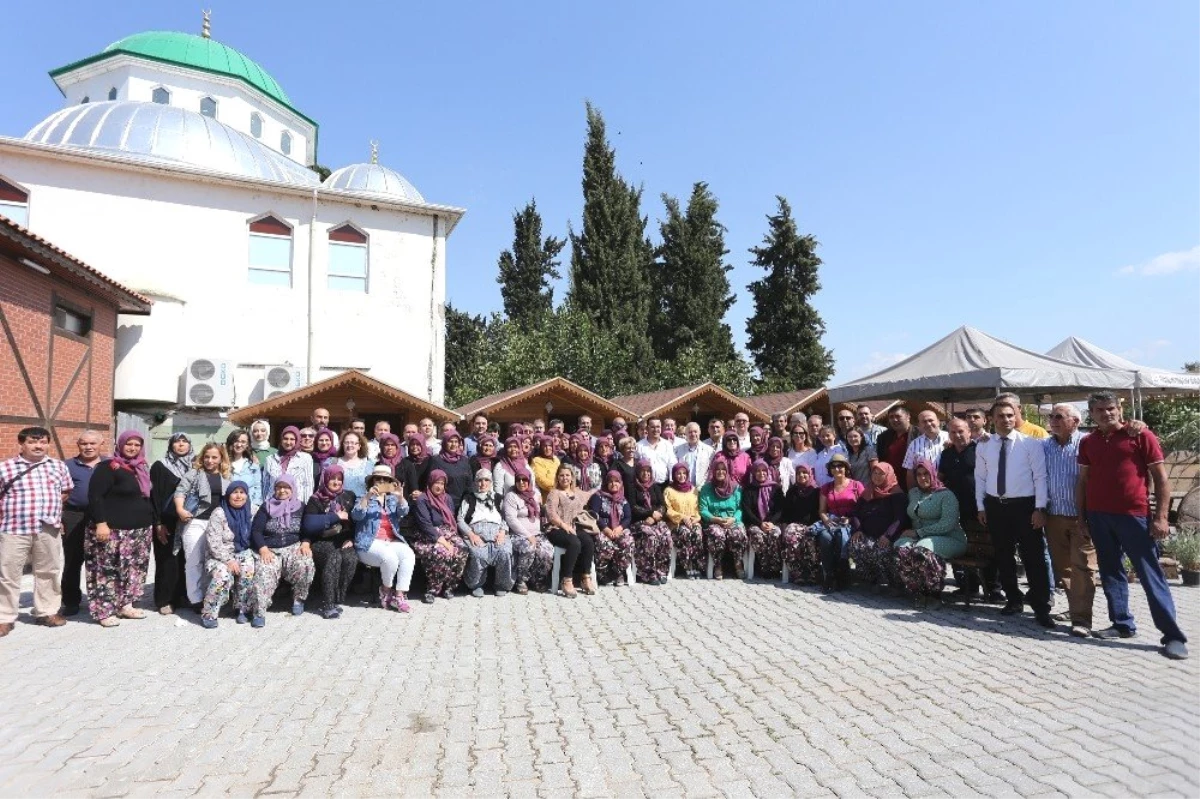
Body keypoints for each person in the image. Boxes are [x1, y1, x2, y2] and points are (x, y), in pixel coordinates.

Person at [1078, 392, 1188, 659]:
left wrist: (1161, 517)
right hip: (1098, 516)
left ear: (1120, 409)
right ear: (1091, 414)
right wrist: (1082, 518)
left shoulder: (1140, 436)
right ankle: (1122, 624)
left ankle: (1173, 636)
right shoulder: (1088, 442)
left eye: (1111, 408)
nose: (1107, 414)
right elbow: (1082, 482)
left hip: (1134, 517)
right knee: (1111, 572)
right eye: (1100, 410)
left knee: (1150, 575)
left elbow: (1161, 479)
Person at [975, 399, 1053, 628]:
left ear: (1016, 415)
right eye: (1000, 416)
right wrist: (981, 506)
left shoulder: (1031, 444)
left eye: (1010, 415)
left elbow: (1040, 477)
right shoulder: (984, 445)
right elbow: (980, 477)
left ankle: (1041, 606)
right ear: (993, 419)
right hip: (996, 506)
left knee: (1033, 558)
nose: (1006, 419)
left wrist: (1040, 508)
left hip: (1025, 507)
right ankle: (1013, 600)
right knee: (1003, 556)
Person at [83, 430, 155, 627]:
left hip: (138, 531)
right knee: (106, 570)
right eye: (128, 444)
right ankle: (103, 610)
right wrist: (101, 523)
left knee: (133, 569)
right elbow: (95, 497)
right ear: (120, 445)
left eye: (137, 445)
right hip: (112, 530)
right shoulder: (108, 467)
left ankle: (126, 605)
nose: (132, 448)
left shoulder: (140, 467)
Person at [1043, 404, 1097, 637]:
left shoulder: (1087, 443)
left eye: (1059, 417)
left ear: (1075, 421)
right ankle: (1075, 608)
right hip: (1054, 515)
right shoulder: (1044, 446)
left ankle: (1082, 620)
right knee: (1064, 568)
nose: (1053, 420)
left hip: (1081, 517)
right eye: (1051, 416)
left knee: (1083, 567)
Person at [939, 418, 1001, 602]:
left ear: (969, 431)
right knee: (962, 548)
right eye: (953, 432)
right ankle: (967, 586)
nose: (957, 436)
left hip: (980, 508)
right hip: (955, 509)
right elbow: (941, 477)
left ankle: (994, 589)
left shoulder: (980, 450)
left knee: (988, 549)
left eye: (961, 431)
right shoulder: (947, 454)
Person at [249, 474, 316, 624]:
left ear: (293, 489)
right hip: (270, 549)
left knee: (305, 563)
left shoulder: (301, 507)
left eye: (286, 487)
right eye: (279, 487)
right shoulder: (267, 506)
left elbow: (308, 528)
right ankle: (259, 612)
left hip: (293, 546)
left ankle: (298, 599)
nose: (282, 491)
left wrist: (305, 542)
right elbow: (256, 531)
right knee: (264, 572)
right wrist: (263, 549)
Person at [173, 443, 231, 609]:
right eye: (207, 457)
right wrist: (180, 509)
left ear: (221, 459)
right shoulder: (194, 474)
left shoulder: (226, 476)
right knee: (194, 561)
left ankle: (210, 595)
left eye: (214, 457)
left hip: (216, 524)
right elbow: (180, 492)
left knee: (212, 561)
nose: (210, 460)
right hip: (195, 522)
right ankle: (195, 599)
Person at [352, 465, 414, 613]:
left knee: (408, 554)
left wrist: (400, 497)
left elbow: (404, 512)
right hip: (368, 543)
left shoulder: (392, 499)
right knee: (389, 558)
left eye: (385, 479)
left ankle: (399, 595)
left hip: (390, 541)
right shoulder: (362, 497)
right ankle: (385, 590)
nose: (380, 481)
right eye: (377, 479)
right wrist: (368, 497)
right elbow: (356, 516)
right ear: (372, 481)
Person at [302, 465, 359, 619]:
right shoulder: (316, 499)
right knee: (334, 558)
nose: (336, 482)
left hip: (344, 540)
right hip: (322, 541)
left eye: (339, 479)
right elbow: (308, 525)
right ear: (325, 479)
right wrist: (335, 517)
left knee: (350, 559)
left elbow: (356, 521)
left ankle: (338, 598)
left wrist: (352, 538)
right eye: (332, 478)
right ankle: (328, 604)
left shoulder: (349, 496)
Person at [60, 430, 107, 616]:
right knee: (73, 560)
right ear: (78, 445)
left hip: (102, 518)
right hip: (74, 516)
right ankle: (71, 601)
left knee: (101, 560)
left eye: (92, 444)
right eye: (84, 444)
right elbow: (58, 494)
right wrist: (59, 518)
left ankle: (101, 599)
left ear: (100, 444)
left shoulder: (109, 464)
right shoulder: (67, 466)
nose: (88, 447)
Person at [200, 481, 258, 628]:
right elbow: (213, 543)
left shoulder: (252, 509)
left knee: (248, 569)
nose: (238, 496)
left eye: (242, 492)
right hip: (218, 556)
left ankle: (242, 609)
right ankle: (209, 613)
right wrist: (229, 560)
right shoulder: (219, 513)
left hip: (243, 551)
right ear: (228, 495)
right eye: (235, 492)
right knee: (223, 575)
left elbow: (259, 531)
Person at [808, 453, 866, 593]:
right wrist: (826, 520)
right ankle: (829, 575)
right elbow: (822, 510)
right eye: (834, 466)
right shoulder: (826, 488)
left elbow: (864, 509)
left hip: (852, 522)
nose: (837, 469)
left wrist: (850, 519)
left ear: (846, 468)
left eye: (840, 466)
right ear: (830, 470)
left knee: (841, 537)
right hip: (832, 522)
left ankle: (842, 574)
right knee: (825, 538)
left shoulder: (856, 485)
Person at [412, 470, 469, 603]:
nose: (439, 486)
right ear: (430, 482)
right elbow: (425, 525)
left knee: (462, 549)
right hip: (426, 536)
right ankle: (433, 589)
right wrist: (445, 543)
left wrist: (450, 539)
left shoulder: (447, 498)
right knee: (441, 552)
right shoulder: (422, 499)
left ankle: (450, 586)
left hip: (447, 532)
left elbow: (450, 521)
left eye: (442, 483)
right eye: (436, 483)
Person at [454, 469, 513, 598]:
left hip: (497, 532)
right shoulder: (469, 498)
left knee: (504, 551)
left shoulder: (498, 498)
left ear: (491, 482)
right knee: (477, 553)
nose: (483, 483)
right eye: (480, 480)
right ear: (475, 482)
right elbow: (460, 519)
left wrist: (503, 532)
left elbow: (506, 517)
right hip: (476, 533)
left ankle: (501, 585)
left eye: (486, 480)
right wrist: (471, 535)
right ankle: (476, 584)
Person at [150, 432, 191, 614]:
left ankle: (184, 596)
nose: (181, 445)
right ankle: (164, 599)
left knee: (186, 559)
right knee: (167, 560)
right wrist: (158, 522)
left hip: (189, 520)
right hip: (166, 520)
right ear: (170, 445)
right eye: (177, 442)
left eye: (184, 442)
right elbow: (155, 496)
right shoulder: (160, 466)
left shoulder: (196, 465)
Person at [848, 463, 909, 587]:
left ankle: (894, 582)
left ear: (888, 475)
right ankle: (871, 579)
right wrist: (858, 530)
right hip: (867, 533)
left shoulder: (897, 494)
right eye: (875, 473)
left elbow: (899, 519)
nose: (877, 476)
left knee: (881, 550)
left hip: (888, 536)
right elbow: (855, 513)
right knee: (855, 546)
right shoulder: (868, 491)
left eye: (881, 474)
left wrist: (888, 536)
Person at [543, 464, 598, 597]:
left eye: (567, 475)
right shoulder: (554, 493)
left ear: (572, 477)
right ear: (557, 478)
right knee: (575, 543)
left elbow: (591, 493)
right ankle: (567, 580)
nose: (564, 478)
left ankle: (585, 577)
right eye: (561, 475)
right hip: (556, 528)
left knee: (588, 541)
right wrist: (564, 525)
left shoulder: (577, 493)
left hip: (573, 528)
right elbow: (551, 514)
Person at [503, 471, 553, 594]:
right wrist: (528, 535)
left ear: (529, 481)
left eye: (524, 480)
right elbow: (511, 519)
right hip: (518, 534)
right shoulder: (511, 496)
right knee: (528, 548)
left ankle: (537, 579)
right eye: (518, 480)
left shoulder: (535, 494)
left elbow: (541, 513)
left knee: (547, 550)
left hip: (537, 533)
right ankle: (521, 580)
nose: (521, 483)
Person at [699, 460, 747, 580]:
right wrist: (714, 519)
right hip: (714, 521)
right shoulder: (706, 488)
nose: (720, 472)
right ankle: (718, 565)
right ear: (713, 472)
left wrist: (734, 519)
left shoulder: (736, 488)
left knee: (738, 533)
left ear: (727, 472)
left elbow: (741, 508)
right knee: (717, 534)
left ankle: (737, 563)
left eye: (723, 470)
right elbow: (703, 509)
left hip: (732, 520)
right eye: (717, 470)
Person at [587, 470, 634, 586]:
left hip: (618, 529)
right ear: (606, 483)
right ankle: (603, 573)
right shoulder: (598, 496)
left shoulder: (623, 499)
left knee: (628, 542)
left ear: (621, 483)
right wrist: (605, 529)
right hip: (602, 529)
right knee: (603, 543)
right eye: (611, 482)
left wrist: (620, 528)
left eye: (616, 481)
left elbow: (628, 517)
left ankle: (618, 572)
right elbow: (594, 514)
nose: (614, 484)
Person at [629, 459, 671, 585]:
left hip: (655, 520)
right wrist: (650, 513)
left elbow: (662, 506)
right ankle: (648, 573)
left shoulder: (655, 486)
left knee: (666, 535)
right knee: (650, 537)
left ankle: (661, 570)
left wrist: (655, 516)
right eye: (643, 471)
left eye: (648, 471)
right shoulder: (632, 487)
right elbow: (633, 507)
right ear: (638, 472)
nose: (646, 474)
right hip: (639, 522)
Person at [743, 459, 786, 577]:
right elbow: (747, 511)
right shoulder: (749, 489)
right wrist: (760, 523)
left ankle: (774, 567)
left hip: (773, 523)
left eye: (764, 471)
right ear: (753, 473)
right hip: (755, 524)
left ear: (768, 472)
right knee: (757, 535)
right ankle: (763, 566)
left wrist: (771, 523)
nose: (761, 473)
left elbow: (780, 509)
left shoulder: (776, 488)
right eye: (758, 471)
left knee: (775, 534)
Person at [781, 465, 821, 584]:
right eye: (799, 473)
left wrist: (812, 526)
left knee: (810, 537)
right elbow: (786, 512)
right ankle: (797, 572)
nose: (801, 475)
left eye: (805, 473)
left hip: (813, 524)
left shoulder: (816, 491)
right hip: (795, 525)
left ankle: (812, 573)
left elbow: (820, 512)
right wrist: (784, 525)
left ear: (810, 474)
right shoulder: (792, 491)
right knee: (790, 535)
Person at [665, 463, 703, 580]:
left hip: (693, 521)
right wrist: (682, 517)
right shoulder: (669, 490)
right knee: (685, 533)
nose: (682, 476)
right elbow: (668, 510)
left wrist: (696, 518)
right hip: (677, 524)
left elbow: (698, 508)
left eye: (684, 473)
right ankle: (687, 566)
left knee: (697, 533)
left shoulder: (694, 490)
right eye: (678, 473)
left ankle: (696, 564)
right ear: (674, 475)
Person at [263, 426, 315, 503]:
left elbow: (308, 484)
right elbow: (266, 484)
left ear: (297, 440)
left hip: (296, 504)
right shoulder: (270, 459)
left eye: (292, 439)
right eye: (285, 439)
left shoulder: (305, 458)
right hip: (273, 503)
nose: (288, 442)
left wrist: (305, 505)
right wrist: (266, 503)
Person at [902, 411, 949, 489]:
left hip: (949, 488)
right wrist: (913, 494)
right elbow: (910, 472)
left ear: (938, 421)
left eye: (931, 420)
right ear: (919, 425)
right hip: (924, 491)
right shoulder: (914, 444)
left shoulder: (950, 438)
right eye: (924, 422)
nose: (928, 424)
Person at [875, 406, 914, 492]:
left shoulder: (918, 435)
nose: (894, 420)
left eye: (898, 416)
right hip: (891, 485)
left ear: (908, 417)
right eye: (891, 417)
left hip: (913, 483)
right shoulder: (883, 437)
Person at [226, 428, 263, 513]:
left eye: (243, 442)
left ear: (247, 445)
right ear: (231, 442)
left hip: (248, 509)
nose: (239, 445)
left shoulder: (253, 465)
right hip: (228, 508)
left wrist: (256, 505)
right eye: (236, 441)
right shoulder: (223, 463)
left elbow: (257, 487)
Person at [432, 430, 472, 500]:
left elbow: (469, 482)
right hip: (444, 502)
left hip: (463, 502)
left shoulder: (464, 460)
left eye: (456, 442)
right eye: (450, 441)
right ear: (444, 443)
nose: (453, 444)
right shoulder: (437, 460)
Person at [636, 419, 676, 486]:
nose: (655, 430)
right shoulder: (639, 446)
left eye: (658, 427)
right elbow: (636, 466)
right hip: (646, 485)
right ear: (647, 428)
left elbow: (672, 464)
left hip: (664, 484)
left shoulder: (667, 445)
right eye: (652, 427)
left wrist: (672, 480)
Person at [335, 430, 374, 499]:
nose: (349, 445)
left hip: (362, 505)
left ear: (359, 446)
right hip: (340, 505)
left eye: (353, 443)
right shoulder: (333, 462)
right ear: (342, 445)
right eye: (346, 442)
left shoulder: (369, 465)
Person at [675, 422, 715, 489]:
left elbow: (711, 470)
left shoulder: (709, 450)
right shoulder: (678, 450)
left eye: (695, 431)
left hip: (703, 488)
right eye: (690, 432)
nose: (693, 434)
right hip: (683, 489)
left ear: (700, 432)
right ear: (686, 434)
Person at [398, 435, 433, 505]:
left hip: (426, 499)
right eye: (412, 444)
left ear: (423, 445)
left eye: (418, 444)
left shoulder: (430, 460)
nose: (415, 447)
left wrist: (422, 494)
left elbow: (432, 480)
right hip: (409, 499)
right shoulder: (404, 461)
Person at [530, 435, 561, 500]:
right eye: (545, 446)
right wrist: (559, 487)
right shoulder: (537, 461)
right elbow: (542, 481)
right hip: (547, 497)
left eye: (550, 445)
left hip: (560, 495)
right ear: (541, 447)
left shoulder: (556, 460)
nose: (547, 448)